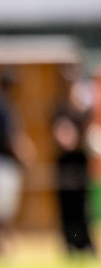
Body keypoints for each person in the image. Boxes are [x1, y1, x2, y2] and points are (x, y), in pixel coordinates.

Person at [0, 70, 33, 261]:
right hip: (2, 164)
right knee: (3, 211)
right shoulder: (2, 107)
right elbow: (10, 137)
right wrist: (24, 156)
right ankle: (5, 250)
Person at [53, 73, 97, 257]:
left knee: (82, 206)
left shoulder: (85, 113)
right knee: (66, 207)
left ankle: (84, 243)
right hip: (65, 164)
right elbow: (62, 138)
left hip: (80, 162)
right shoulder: (59, 110)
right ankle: (70, 243)